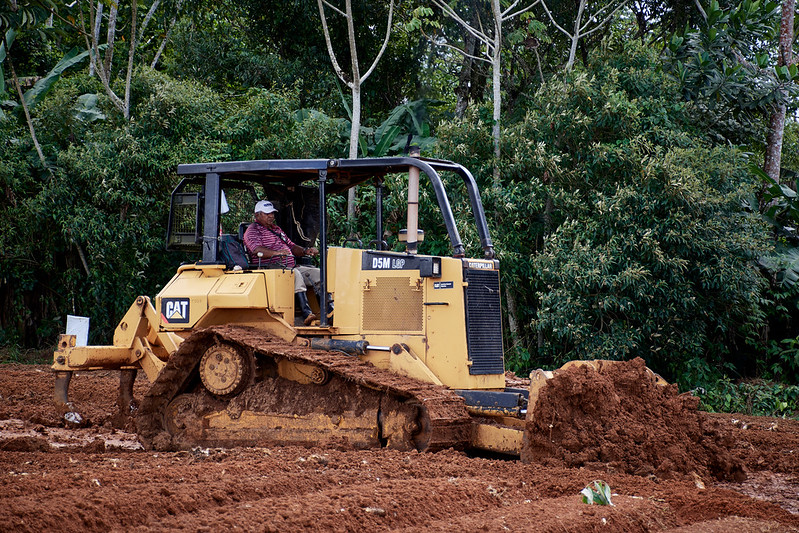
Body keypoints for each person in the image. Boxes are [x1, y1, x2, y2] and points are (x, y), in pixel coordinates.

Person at [243, 200, 321, 325]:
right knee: (295, 274)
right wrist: (277, 253)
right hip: (270, 268)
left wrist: (306, 251)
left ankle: (328, 312)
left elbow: (291, 246)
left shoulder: (276, 229)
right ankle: (306, 313)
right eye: (267, 213)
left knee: (319, 274)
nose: (271, 216)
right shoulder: (252, 231)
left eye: (272, 213)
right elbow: (256, 250)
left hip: (289, 265)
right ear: (257, 215)